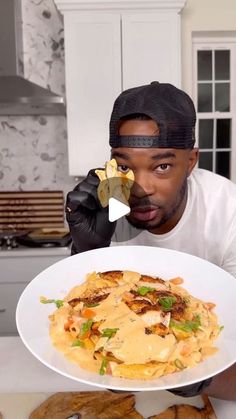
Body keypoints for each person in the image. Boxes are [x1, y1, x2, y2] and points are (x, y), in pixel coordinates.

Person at [66, 81, 236, 400]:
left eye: (162, 166)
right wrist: (86, 253)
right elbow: (76, 329)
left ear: (191, 162)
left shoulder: (228, 213)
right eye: (126, 166)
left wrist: (199, 379)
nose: (140, 188)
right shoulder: (109, 201)